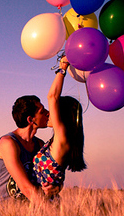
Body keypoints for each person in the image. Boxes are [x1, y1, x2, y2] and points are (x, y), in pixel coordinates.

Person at [32, 56, 86, 198]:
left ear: (61, 116)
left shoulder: (62, 137)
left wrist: (62, 68)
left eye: (53, 111)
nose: (49, 114)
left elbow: (52, 97)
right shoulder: (57, 141)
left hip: (46, 205)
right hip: (44, 202)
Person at [0, 95, 60, 202]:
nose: (48, 113)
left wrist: (54, 188)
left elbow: (53, 178)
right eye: (42, 111)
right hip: (2, 211)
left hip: (28, 210)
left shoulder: (40, 144)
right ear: (30, 119)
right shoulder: (8, 143)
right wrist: (52, 215)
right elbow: (26, 188)